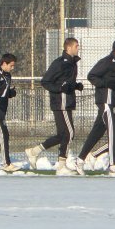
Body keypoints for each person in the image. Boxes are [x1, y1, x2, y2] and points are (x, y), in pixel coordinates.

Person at [25, 37, 82, 175]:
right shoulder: (59, 63)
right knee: (69, 133)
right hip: (60, 102)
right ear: (68, 48)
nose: (78, 48)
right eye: (76, 46)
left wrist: (75, 86)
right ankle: (61, 166)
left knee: (63, 135)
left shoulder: (72, 63)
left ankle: (34, 151)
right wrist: (60, 88)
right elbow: (46, 81)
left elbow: (66, 82)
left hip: (67, 101)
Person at [76, 39, 115, 175]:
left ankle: (80, 160)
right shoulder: (106, 62)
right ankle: (112, 164)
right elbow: (91, 76)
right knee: (114, 132)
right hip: (107, 103)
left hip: (114, 103)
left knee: (96, 134)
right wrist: (105, 83)